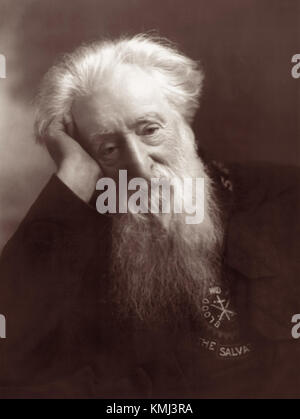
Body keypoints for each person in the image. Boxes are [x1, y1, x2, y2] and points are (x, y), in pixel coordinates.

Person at [0, 34, 299, 398]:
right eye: (108, 149)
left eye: (150, 130)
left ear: (185, 120)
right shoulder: (78, 251)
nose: (139, 167)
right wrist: (72, 179)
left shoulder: (286, 199)